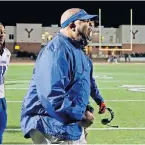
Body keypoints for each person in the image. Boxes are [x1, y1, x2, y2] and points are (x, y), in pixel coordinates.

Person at [20, 8, 97, 144]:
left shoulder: (75, 49)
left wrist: (85, 110)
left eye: (91, 21)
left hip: (67, 121)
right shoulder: (57, 51)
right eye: (86, 21)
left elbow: (79, 86)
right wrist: (79, 116)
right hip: (51, 123)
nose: (91, 25)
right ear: (72, 26)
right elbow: (51, 96)